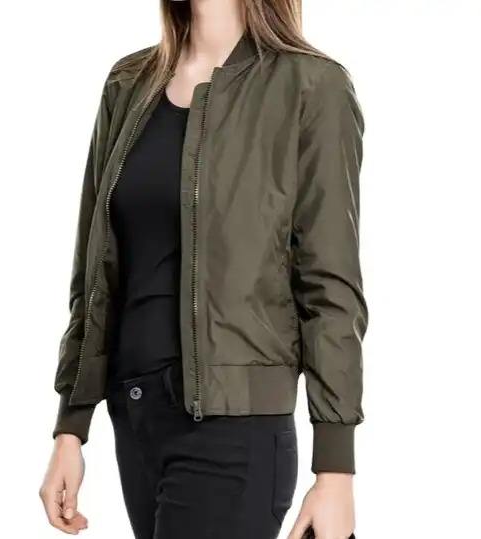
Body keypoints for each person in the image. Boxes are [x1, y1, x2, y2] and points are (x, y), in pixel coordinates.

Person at [39, 1, 367, 538]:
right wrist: (71, 428)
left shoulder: (309, 86)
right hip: (136, 420)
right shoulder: (128, 84)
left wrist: (335, 470)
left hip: (233, 430)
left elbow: (330, 286)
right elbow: (96, 273)